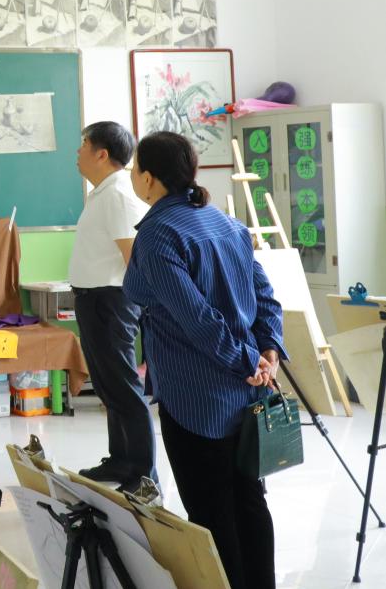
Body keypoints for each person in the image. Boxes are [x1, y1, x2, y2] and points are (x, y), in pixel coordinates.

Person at [123, 131, 285, 589]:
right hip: (246, 392)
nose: (134, 177)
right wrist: (266, 353)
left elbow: (198, 319)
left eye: (135, 169)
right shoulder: (225, 223)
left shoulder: (157, 235)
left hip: (196, 398)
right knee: (249, 500)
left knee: (212, 512)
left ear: (149, 179)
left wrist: (248, 360)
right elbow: (265, 297)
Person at [68, 122, 154, 491]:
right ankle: (121, 461)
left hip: (111, 300)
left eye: (83, 144)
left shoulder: (118, 193)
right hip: (95, 300)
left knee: (123, 386)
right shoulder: (103, 193)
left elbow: (133, 257)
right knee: (109, 386)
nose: (78, 152)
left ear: (101, 154)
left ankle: (142, 473)